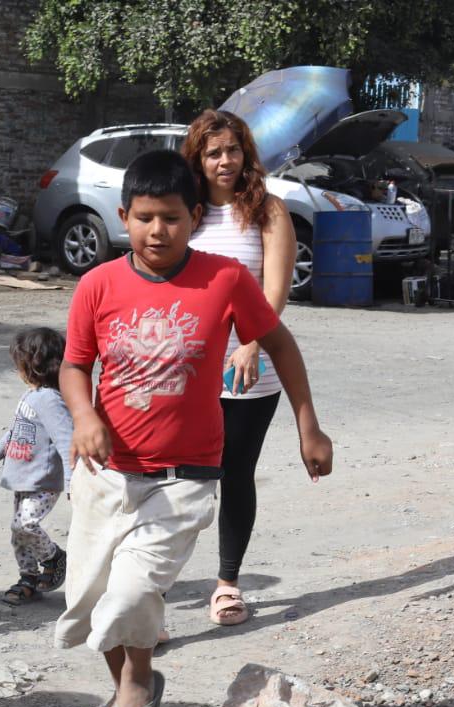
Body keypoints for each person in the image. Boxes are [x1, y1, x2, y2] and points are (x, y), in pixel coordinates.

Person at [55, 150, 332, 707]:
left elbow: (280, 347)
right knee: (90, 600)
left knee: (130, 594)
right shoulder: (96, 284)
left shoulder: (224, 279)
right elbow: (75, 365)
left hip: (185, 475)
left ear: (195, 216)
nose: (159, 231)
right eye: (146, 217)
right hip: (106, 472)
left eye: (173, 218)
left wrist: (308, 425)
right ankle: (131, 685)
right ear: (123, 215)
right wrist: (83, 415)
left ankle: (136, 685)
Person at [183, 109, 297, 627]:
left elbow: (274, 290)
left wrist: (251, 340)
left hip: (251, 371)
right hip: (186, 370)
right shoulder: (186, 211)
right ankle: (155, 589)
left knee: (234, 475)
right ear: (198, 160)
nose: (224, 161)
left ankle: (227, 584)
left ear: (245, 153)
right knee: (179, 480)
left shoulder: (268, 211)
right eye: (213, 153)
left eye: (232, 150)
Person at [0, 327, 74, 606]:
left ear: (33, 364)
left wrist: (72, 482)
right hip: (23, 477)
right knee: (18, 534)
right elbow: (16, 431)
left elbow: (67, 440)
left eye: (18, 362)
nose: (16, 368)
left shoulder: (50, 399)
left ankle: (55, 558)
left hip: (43, 481)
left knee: (25, 524)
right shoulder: (31, 395)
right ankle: (28, 578)